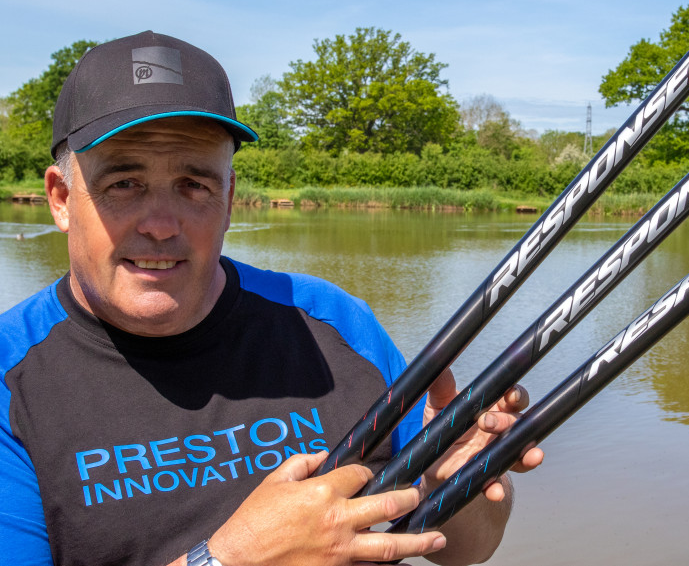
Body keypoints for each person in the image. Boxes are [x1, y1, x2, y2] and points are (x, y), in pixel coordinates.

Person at [0, 31, 543, 566]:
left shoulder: (333, 325)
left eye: (194, 185)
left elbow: (471, 549)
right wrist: (228, 559)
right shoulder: (11, 381)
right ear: (61, 198)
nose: (161, 225)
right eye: (124, 184)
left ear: (229, 198)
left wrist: (454, 483)